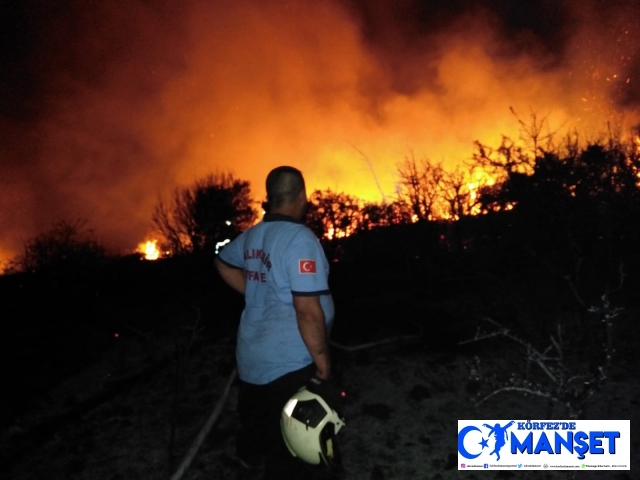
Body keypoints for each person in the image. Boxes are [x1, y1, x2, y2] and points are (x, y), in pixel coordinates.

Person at [214, 166, 336, 479]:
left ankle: (249, 457)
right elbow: (307, 310)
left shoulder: (254, 234)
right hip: (291, 364)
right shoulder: (299, 238)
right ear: (302, 195)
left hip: (252, 359)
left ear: (270, 198)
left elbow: (222, 261)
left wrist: (259, 293)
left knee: (261, 425)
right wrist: (322, 363)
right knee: (293, 453)